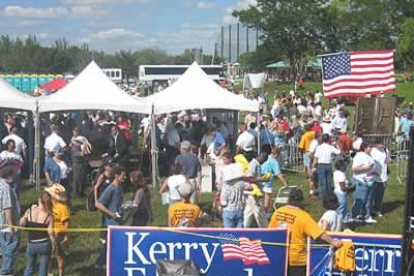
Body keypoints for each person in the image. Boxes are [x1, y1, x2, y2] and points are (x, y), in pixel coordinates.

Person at [268, 188, 342, 276]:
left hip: (279, 256)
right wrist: (333, 241)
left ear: (289, 199)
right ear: (301, 201)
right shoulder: (303, 216)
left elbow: (270, 232)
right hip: (297, 260)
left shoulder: (278, 212)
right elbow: (319, 233)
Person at [95, 165, 126, 268]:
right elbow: (98, 204)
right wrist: (110, 213)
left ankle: (107, 261)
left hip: (119, 219)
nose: (124, 177)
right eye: (123, 175)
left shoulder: (120, 187)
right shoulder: (110, 189)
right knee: (111, 243)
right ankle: (101, 262)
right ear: (116, 176)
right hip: (112, 221)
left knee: (113, 243)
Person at [20, 191, 57, 276]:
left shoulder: (30, 211)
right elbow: (51, 233)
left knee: (29, 269)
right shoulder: (49, 215)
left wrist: (25, 215)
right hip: (45, 244)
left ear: (39, 199)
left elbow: (22, 223)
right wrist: (55, 245)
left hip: (31, 244)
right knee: (43, 270)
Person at [45, 183, 70, 276]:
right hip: (48, 233)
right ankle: (49, 273)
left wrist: (66, 237)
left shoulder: (62, 208)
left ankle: (60, 273)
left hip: (59, 235)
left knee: (59, 255)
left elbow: (67, 224)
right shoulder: (47, 205)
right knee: (48, 255)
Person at [0, 165, 21, 276]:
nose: (16, 175)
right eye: (14, 173)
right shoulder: (6, 188)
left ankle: (8, 269)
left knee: (4, 248)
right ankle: (5, 272)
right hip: (8, 225)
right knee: (12, 249)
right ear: (9, 175)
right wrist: (12, 226)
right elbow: (7, 208)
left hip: (1, 224)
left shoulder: (1, 184)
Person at [350, 142, 378, 223]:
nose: (371, 148)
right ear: (365, 147)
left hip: (369, 181)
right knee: (360, 200)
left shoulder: (369, 155)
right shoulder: (359, 155)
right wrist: (367, 167)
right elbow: (354, 169)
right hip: (361, 181)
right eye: (370, 146)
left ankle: (366, 216)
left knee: (368, 200)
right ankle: (353, 216)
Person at [220, 164, 251, 228]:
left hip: (228, 210)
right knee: (239, 231)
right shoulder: (241, 183)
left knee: (229, 233)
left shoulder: (226, 186)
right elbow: (250, 187)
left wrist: (220, 205)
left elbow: (224, 202)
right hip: (239, 209)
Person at [244, 152, 268, 228]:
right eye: (263, 160)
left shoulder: (256, 164)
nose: (263, 162)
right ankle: (265, 229)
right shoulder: (254, 164)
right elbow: (249, 178)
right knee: (260, 212)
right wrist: (261, 180)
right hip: (254, 192)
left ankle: (244, 228)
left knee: (248, 212)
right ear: (261, 157)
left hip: (251, 192)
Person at [312, 134, 340, 199]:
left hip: (321, 165)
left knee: (322, 181)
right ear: (328, 139)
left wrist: (313, 166)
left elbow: (316, 158)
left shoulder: (319, 147)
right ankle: (329, 194)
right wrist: (336, 145)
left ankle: (323, 196)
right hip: (328, 165)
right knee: (329, 181)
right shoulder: (330, 147)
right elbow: (339, 152)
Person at [261, 147, 288, 211]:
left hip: (259, 178)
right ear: (276, 154)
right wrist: (285, 182)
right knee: (267, 197)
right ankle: (266, 212)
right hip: (267, 181)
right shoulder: (274, 161)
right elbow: (278, 174)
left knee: (261, 196)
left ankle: (261, 210)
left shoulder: (265, 157)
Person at [370, 139, 391, 217]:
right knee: (371, 196)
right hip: (374, 177)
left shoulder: (385, 150)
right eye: (380, 144)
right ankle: (368, 211)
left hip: (383, 177)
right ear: (375, 144)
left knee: (380, 196)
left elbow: (387, 159)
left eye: (382, 144)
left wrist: (389, 160)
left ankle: (378, 210)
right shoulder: (372, 151)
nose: (382, 145)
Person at [333, 159, 353, 225]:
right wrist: (351, 188)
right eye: (345, 166)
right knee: (340, 210)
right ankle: (337, 224)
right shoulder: (341, 175)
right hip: (340, 194)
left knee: (344, 210)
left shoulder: (336, 172)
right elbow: (343, 188)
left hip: (337, 192)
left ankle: (344, 224)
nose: (346, 167)